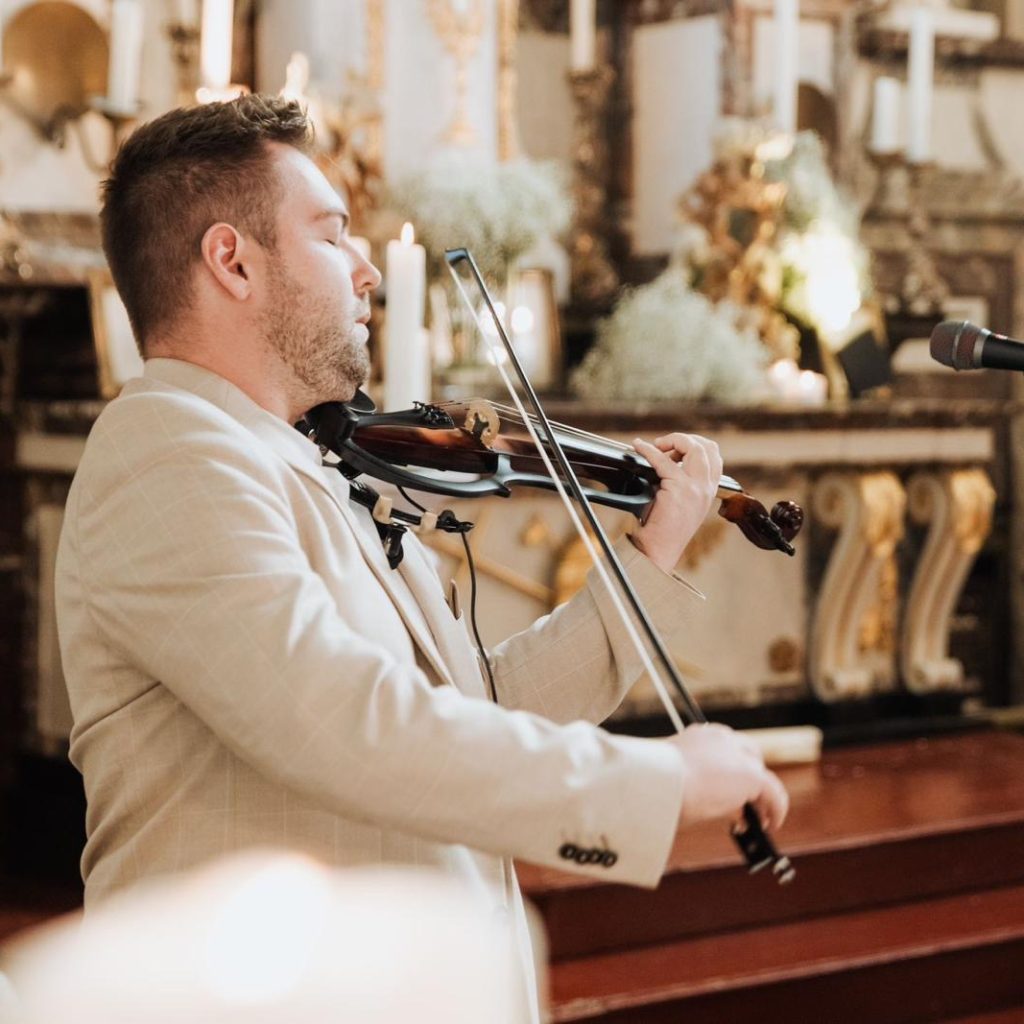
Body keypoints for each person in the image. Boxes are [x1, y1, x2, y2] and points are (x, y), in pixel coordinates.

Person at [55, 95, 788, 1019]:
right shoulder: (168, 452)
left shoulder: (306, 459)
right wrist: (659, 780)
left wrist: (648, 556)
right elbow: (348, 722)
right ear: (231, 261)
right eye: (332, 236)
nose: (367, 270)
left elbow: (470, 709)